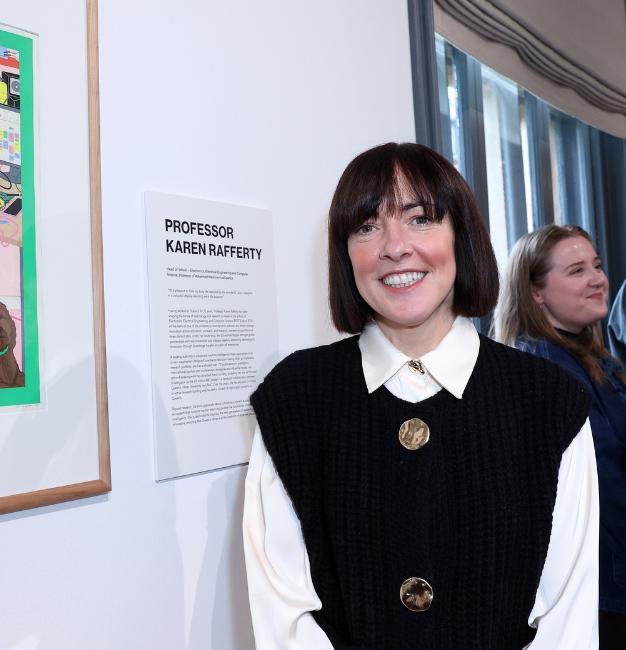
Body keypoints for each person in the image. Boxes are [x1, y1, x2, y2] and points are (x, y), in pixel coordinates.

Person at [244, 142, 599, 649]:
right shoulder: (295, 399)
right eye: (367, 226)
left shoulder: (548, 402)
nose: (394, 246)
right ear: (346, 253)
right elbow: (283, 615)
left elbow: (569, 620)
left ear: (462, 237)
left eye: (420, 219)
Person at [494, 224, 626, 648]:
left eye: (597, 266)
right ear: (536, 292)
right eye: (575, 271)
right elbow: (604, 483)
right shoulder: (546, 370)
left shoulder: (585, 355)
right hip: (601, 585)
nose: (597, 279)